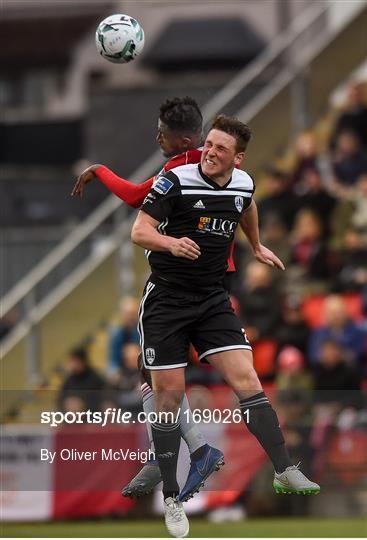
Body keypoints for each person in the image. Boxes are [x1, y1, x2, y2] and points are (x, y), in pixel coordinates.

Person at [131, 114, 320, 537]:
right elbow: (139, 231)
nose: (210, 153)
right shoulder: (176, 181)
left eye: (220, 148)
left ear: (238, 158)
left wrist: (255, 244)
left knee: (249, 379)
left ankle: (284, 469)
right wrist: (171, 242)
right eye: (209, 145)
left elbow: (246, 205)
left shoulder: (242, 183)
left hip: (212, 298)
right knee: (169, 398)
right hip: (166, 301)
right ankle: (173, 500)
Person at [72, 97, 226, 500]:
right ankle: (192, 450)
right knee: (151, 372)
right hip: (211, 284)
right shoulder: (223, 165)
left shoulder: (178, 169)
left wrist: (99, 170)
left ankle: (172, 454)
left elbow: (136, 195)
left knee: (156, 376)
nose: (158, 136)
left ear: (186, 138)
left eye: (163, 131)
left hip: (180, 289)